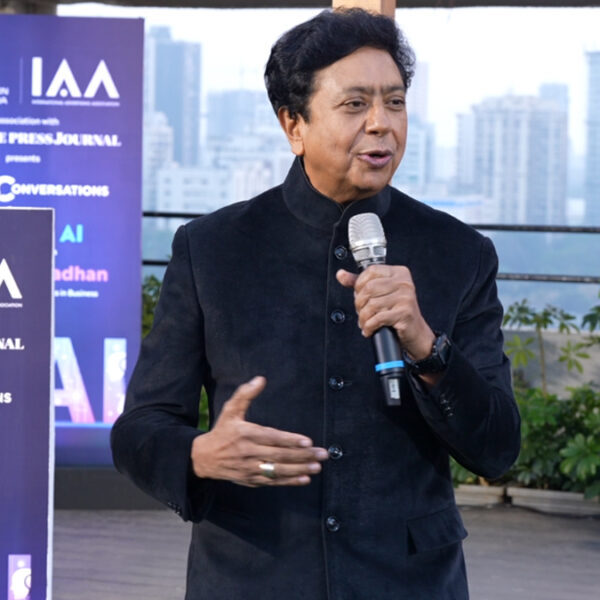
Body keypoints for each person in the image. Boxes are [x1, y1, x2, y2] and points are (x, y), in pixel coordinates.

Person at [111, 8, 520, 599]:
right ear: (293, 124)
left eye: (395, 102)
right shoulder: (212, 249)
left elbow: (498, 447)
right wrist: (199, 453)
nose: (381, 124)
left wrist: (427, 347)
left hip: (407, 581)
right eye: (355, 104)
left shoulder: (460, 252)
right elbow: (139, 430)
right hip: (253, 578)